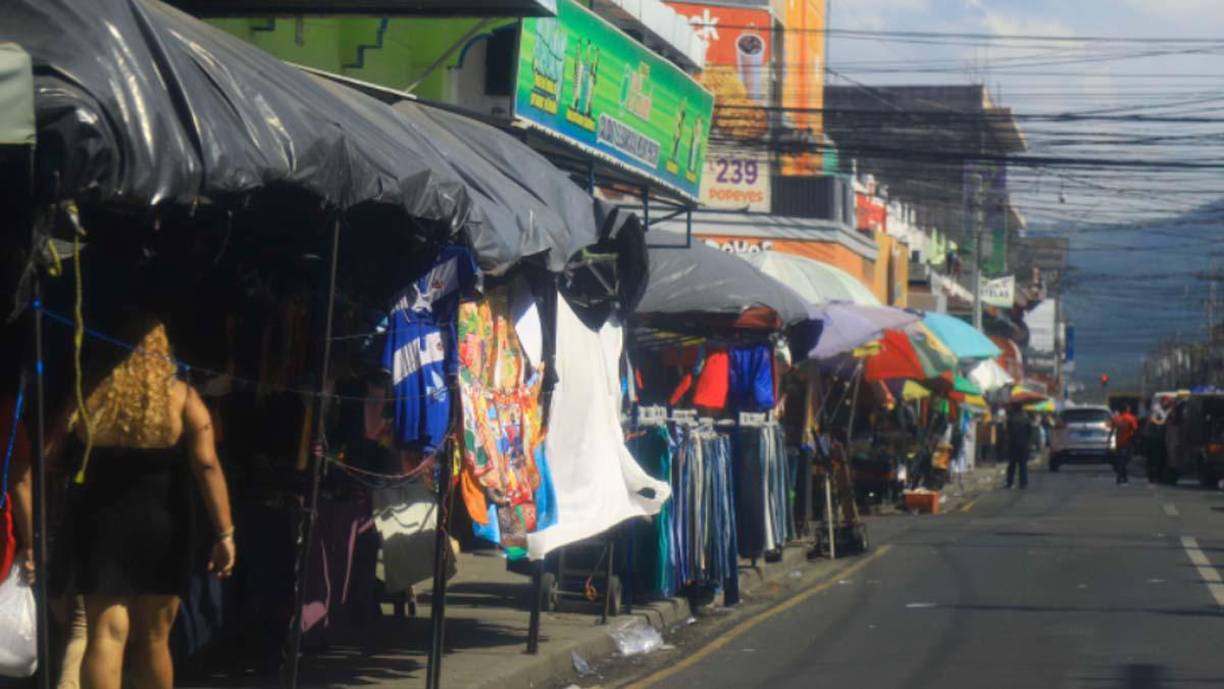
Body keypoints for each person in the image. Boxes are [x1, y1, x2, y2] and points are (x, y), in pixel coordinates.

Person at [24, 317, 236, 689]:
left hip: (100, 524)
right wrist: (225, 532)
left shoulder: (89, 392)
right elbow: (206, 464)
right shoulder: (183, 397)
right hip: (163, 524)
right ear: (163, 353)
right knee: (155, 638)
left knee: (105, 633)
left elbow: (49, 452)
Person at [1005, 404, 1032, 489]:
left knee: (1012, 464)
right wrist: (1029, 443)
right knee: (1023, 465)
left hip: (1013, 444)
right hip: (1023, 444)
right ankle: (1023, 483)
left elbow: (1007, 432)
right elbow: (1030, 432)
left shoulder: (1011, 419)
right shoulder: (1026, 419)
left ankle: (1010, 482)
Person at [1111, 406, 1139, 485]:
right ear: (1127, 409)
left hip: (1118, 443)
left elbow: (1112, 431)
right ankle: (1121, 477)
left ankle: (1123, 476)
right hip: (1127, 443)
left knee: (1121, 460)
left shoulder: (1116, 419)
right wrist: (1136, 442)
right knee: (1125, 460)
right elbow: (1135, 430)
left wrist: (1109, 441)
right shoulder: (1131, 418)